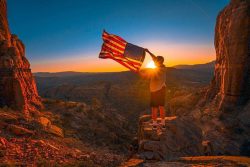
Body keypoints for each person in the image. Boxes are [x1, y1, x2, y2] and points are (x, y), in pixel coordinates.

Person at [139, 49, 166, 129]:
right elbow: (155, 58)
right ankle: (163, 124)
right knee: (161, 106)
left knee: (154, 108)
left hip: (155, 91)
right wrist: (148, 52)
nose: (154, 61)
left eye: (156, 61)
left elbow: (145, 76)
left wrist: (138, 71)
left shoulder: (157, 71)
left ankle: (154, 125)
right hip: (162, 89)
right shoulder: (163, 67)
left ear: (158, 62)